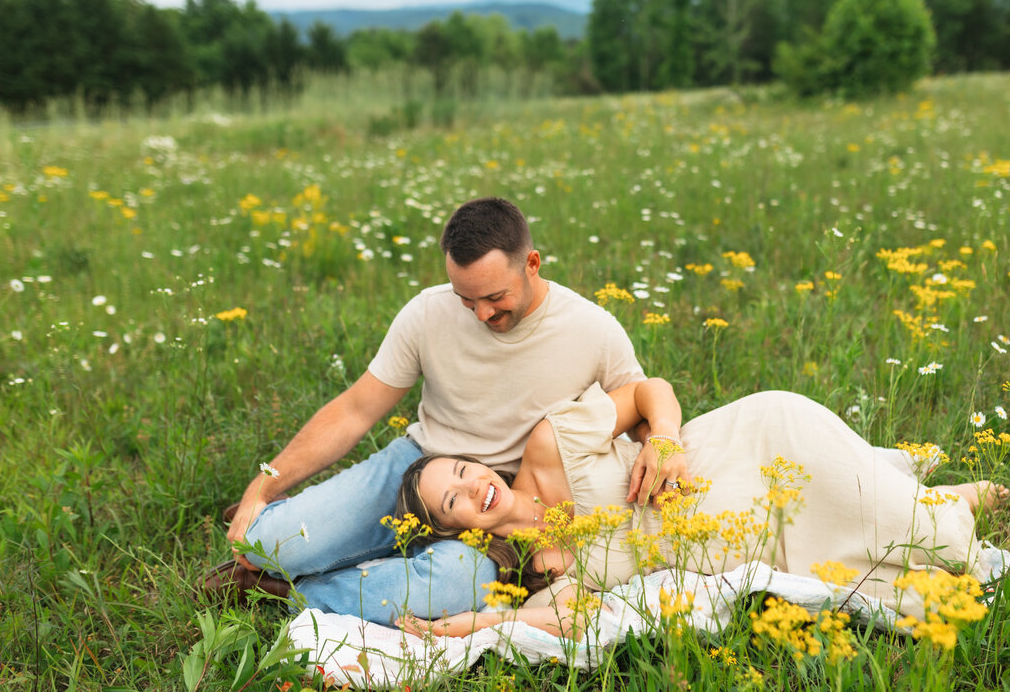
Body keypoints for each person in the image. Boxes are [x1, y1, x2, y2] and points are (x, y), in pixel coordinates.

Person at [203, 198, 687, 624]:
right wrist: (263, 484)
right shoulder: (426, 313)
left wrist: (664, 442)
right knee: (270, 543)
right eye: (466, 299)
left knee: (450, 585)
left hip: (505, 503)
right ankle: (289, 539)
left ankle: (284, 589)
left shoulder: (591, 328)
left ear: (532, 264)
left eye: (495, 298)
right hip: (422, 467)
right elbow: (354, 410)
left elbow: (641, 403)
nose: (480, 314)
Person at [393, 378, 1010, 639]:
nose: (474, 486)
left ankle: (936, 504)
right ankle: (925, 493)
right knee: (904, 589)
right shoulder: (545, 570)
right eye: (454, 502)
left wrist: (662, 436)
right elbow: (569, 622)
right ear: (459, 533)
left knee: (940, 541)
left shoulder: (547, 447)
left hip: (758, 443)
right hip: (749, 540)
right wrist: (483, 624)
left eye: (463, 470)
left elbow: (647, 391)